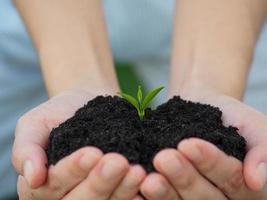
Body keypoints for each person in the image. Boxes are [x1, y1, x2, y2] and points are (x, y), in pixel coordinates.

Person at [0, 0, 267, 199]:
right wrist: (79, 83)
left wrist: (209, 84)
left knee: (244, 170)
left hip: (224, 16)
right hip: (44, 14)